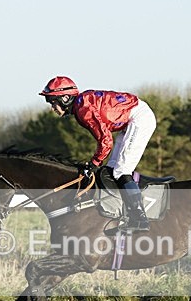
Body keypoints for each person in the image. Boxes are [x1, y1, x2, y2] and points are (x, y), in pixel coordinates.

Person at [38, 76, 156, 231]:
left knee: (121, 171)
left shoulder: (83, 111)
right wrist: (96, 162)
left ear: (65, 98)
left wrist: (94, 163)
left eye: (53, 102)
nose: (52, 107)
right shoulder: (81, 105)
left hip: (139, 118)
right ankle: (122, 214)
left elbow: (106, 141)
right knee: (111, 170)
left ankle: (140, 219)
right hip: (132, 118)